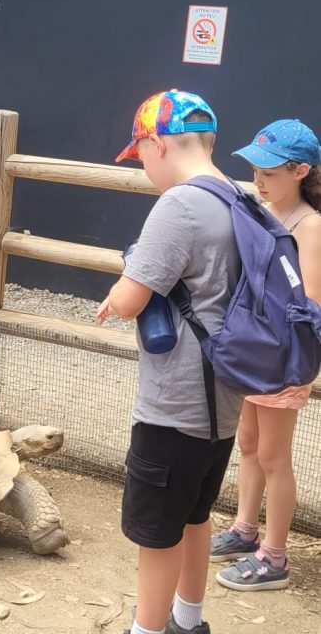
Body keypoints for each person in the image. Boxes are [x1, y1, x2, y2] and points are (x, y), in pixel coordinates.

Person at [97, 90, 243, 634]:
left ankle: (147, 629)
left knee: (157, 534)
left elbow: (129, 300)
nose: (144, 170)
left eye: (141, 156)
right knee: (195, 516)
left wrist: (123, 280)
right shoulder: (238, 196)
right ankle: (190, 619)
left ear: (158, 144)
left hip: (175, 403)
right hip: (223, 403)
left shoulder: (180, 205)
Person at [211, 120, 321, 591]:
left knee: (275, 455)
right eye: (256, 170)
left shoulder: (309, 225)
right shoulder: (265, 211)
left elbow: (309, 301)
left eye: (270, 173)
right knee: (250, 443)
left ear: (301, 171)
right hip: (256, 352)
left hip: (282, 357)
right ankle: (244, 530)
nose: (258, 180)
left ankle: (274, 557)